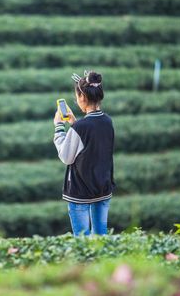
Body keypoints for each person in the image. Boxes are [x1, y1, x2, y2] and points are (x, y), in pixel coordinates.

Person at [53, 70, 116, 236]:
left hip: (80, 191)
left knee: (83, 242)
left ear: (82, 97)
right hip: (103, 188)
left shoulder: (81, 128)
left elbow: (66, 157)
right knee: (101, 238)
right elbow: (92, 142)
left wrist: (59, 128)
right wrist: (74, 123)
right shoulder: (107, 121)